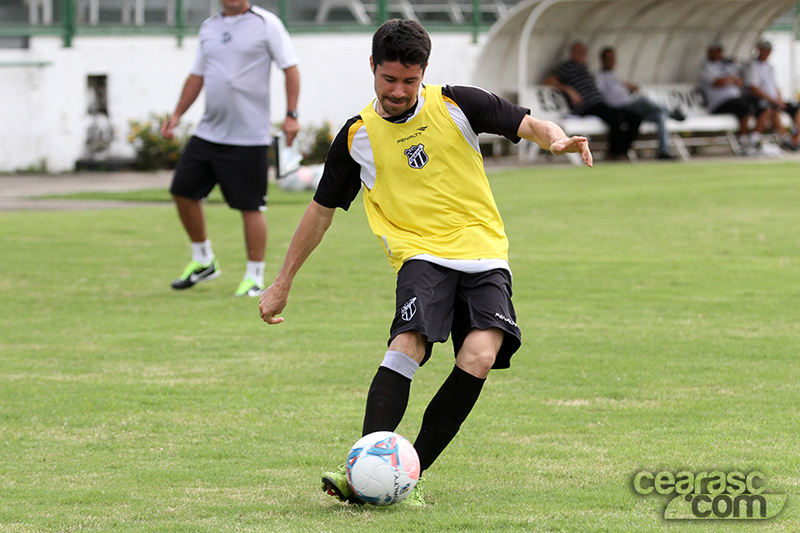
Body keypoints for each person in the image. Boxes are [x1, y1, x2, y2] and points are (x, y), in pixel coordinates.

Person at [258, 19, 592, 506]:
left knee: (479, 355)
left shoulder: (457, 103)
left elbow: (531, 124)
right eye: (389, 79)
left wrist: (556, 140)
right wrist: (283, 281)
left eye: (409, 81)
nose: (398, 91)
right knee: (408, 342)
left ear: (424, 72)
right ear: (372, 67)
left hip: (483, 252)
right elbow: (320, 211)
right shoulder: (357, 137)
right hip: (420, 256)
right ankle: (364, 469)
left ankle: (399, 474)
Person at [161, 0, 300, 297]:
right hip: (209, 132)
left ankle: (254, 277)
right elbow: (197, 75)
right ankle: (203, 260)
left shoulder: (267, 24)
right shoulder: (209, 27)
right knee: (183, 190)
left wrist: (292, 115)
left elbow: (290, 68)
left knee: (251, 207)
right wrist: (176, 115)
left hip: (249, 136)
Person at [543, 41, 640, 160]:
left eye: (583, 51)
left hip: (600, 104)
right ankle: (615, 153)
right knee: (616, 119)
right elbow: (548, 81)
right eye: (578, 51)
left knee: (635, 117)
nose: (581, 54)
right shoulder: (567, 67)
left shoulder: (585, 68)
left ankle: (622, 151)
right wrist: (569, 90)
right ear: (572, 53)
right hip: (586, 106)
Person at [595, 47, 684, 160]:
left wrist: (629, 86)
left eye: (613, 59)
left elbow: (618, 85)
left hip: (630, 105)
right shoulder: (599, 77)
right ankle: (670, 112)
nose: (612, 62)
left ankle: (663, 152)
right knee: (644, 100)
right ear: (602, 60)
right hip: (621, 106)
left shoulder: (612, 75)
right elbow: (602, 94)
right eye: (609, 59)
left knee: (659, 116)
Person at [743, 40, 800, 151]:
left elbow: (774, 86)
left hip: (774, 100)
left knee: (796, 107)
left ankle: (795, 137)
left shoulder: (769, 67)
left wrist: (779, 99)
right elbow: (753, 88)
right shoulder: (753, 66)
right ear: (759, 50)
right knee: (770, 109)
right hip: (761, 101)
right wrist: (773, 100)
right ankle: (755, 139)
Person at [697, 42, 755, 150]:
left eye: (720, 51)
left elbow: (739, 81)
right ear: (709, 52)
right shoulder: (707, 66)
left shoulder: (726, 65)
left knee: (756, 105)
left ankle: (753, 139)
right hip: (719, 103)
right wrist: (730, 80)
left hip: (734, 99)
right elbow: (718, 82)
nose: (718, 54)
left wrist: (730, 80)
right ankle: (742, 141)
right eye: (715, 51)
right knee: (744, 108)